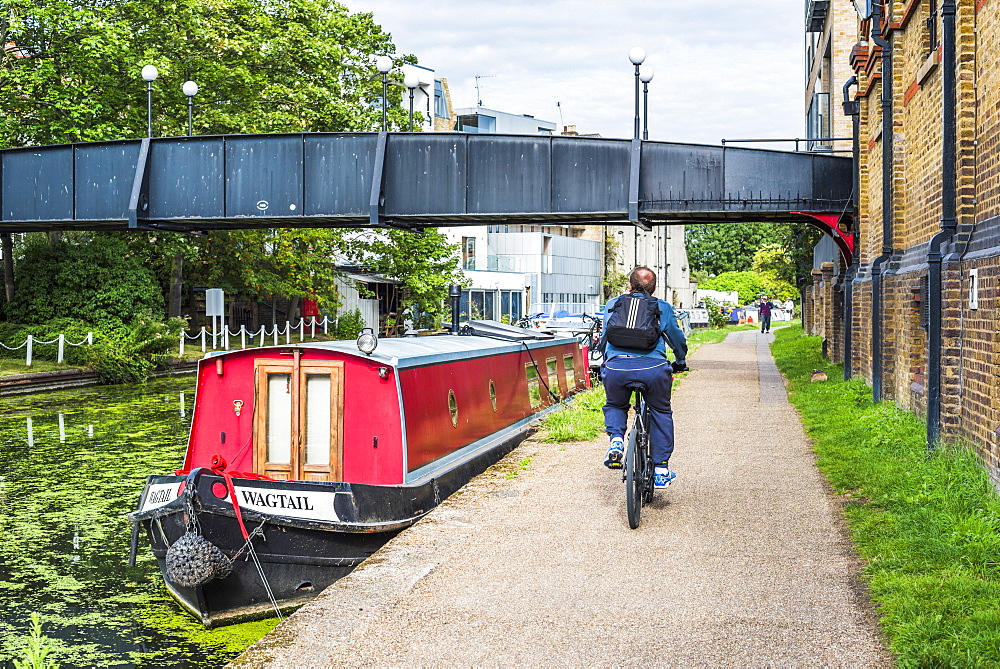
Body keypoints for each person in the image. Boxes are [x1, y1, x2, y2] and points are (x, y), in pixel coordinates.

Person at [596, 266, 688, 489]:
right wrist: (680, 361)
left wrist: (603, 363)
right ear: (654, 288)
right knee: (661, 411)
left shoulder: (613, 304)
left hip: (617, 369)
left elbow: (605, 336)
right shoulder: (662, 307)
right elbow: (676, 338)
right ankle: (661, 470)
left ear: (629, 285)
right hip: (653, 369)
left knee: (616, 405)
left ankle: (616, 441)